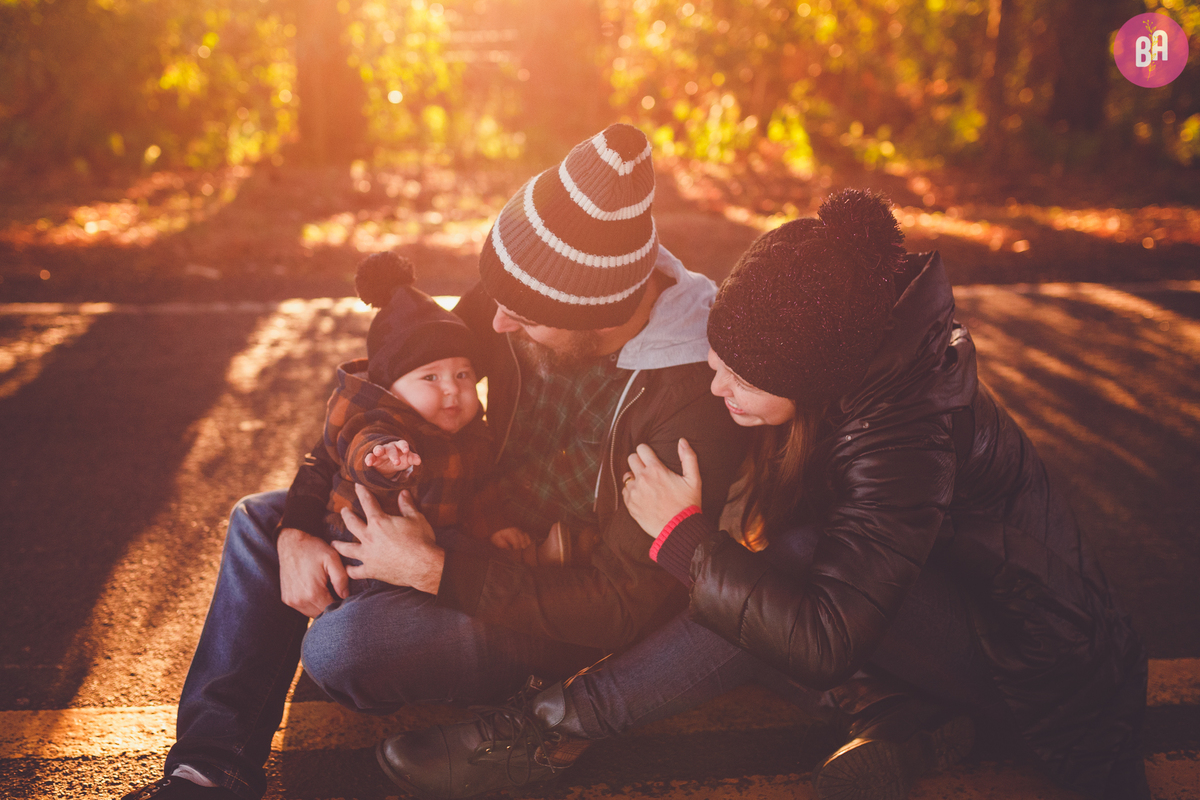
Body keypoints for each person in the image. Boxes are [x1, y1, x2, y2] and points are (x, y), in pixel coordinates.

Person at [377, 190, 1149, 800]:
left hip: (1033, 672)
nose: (717, 391)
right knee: (742, 585)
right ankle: (908, 719)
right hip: (908, 618)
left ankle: (545, 733)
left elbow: (822, 635)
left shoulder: (904, 439)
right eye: (717, 363)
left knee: (763, 574)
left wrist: (681, 539)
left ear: (806, 381)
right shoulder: (838, 352)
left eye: (741, 381)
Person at [119, 122, 746, 800]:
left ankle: (483, 665)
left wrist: (433, 570)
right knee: (259, 523)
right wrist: (299, 526)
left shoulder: (692, 397)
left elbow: (622, 606)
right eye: (496, 299)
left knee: (342, 649)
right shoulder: (525, 289)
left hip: (554, 601)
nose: (496, 324)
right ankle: (208, 768)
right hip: (460, 515)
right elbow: (378, 402)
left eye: (522, 317)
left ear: (595, 315)